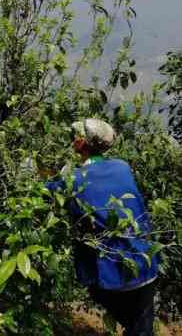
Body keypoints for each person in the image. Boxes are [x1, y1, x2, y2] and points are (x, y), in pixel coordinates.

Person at [45, 118, 159, 336]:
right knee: (140, 328)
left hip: (113, 277)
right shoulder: (122, 166)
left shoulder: (73, 179)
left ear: (80, 143)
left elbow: (44, 192)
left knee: (133, 324)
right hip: (146, 265)